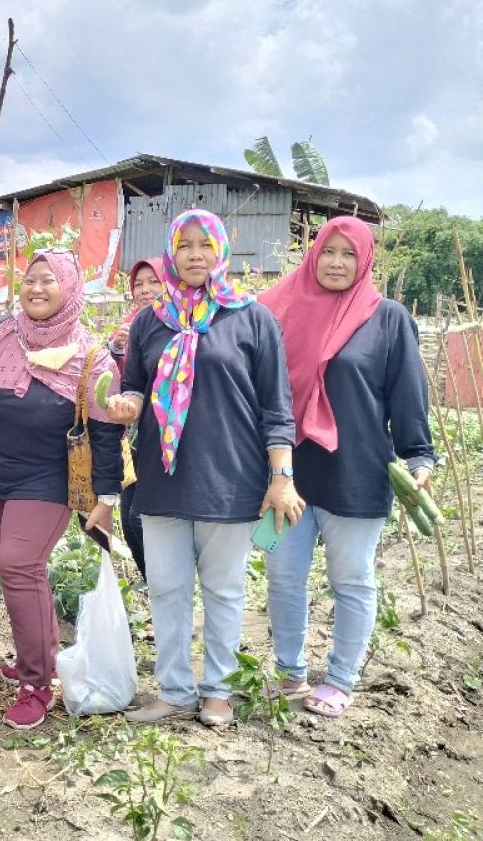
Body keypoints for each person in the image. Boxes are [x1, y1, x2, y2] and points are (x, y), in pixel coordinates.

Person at [107, 209, 303, 728]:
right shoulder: (149, 321)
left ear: (221, 252)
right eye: (185, 245)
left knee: (223, 589)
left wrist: (280, 476)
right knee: (166, 587)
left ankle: (217, 689)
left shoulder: (251, 317)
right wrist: (126, 403)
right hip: (161, 477)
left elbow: (276, 407)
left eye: (205, 245)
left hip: (229, 478)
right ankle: (173, 689)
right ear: (173, 252)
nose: (195, 255)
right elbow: (133, 385)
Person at [0, 250, 124, 730]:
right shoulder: (4, 334)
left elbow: (106, 434)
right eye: (30, 280)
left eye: (49, 281)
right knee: (26, 574)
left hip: (45, 479)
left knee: (19, 567)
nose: (36, 289)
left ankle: (37, 684)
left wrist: (106, 499)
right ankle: (34, 658)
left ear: (69, 289)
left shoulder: (91, 356)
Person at [259, 216, 434, 718]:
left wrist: (418, 453)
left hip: (357, 470)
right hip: (286, 471)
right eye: (328, 252)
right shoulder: (279, 310)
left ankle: (340, 679)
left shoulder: (388, 318)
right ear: (314, 255)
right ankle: (290, 672)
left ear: (364, 261)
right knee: (282, 574)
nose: (337, 262)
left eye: (348, 254)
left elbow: (407, 394)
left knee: (351, 578)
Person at [107, 257, 165, 581]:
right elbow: (120, 382)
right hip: (133, 437)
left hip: (161, 435)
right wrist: (116, 348)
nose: (144, 291)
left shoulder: (175, 325)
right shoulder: (130, 325)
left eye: (152, 282)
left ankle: (164, 586)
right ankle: (151, 583)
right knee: (130, 520)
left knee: (140, 517)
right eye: (138, 284)